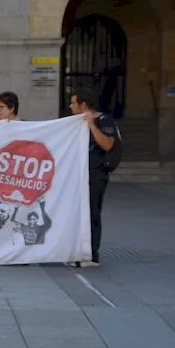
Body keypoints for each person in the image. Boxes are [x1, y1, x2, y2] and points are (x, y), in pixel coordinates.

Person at [69, 87, 119, 268]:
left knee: (92, 212)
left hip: (96, 173)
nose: (70, 106)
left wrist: (91, 124)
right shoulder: (74, 121)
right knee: (78, 212)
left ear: (83, 105)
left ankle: (91, 254)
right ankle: (78, 250)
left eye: (73, 102)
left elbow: (107, 144)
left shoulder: (104, 120)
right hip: (79, 174)